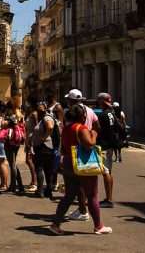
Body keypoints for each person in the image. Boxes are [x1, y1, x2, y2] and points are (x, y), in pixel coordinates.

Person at [49, 104, 112, 235]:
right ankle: (98, 226)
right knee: (92, 195)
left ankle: (55, 224)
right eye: (84, 114)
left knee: (69, 196)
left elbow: (65, 148)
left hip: (68, 164)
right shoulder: (81, 128)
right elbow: (89, 144)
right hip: (83, 165)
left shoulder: (66, 129)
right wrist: (94, 133)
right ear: (81, 116)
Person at [64, 89, 99, 221]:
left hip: (76, 152)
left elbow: (67, 131)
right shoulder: (90, 110)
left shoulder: (71, 114)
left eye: (69, 100)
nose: (67, 102)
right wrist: (93, 133)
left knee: (83, 188)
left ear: (72, 101)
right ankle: (84, 212)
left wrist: (91, 136)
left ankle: (83, 211)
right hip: (87, 152)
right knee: (85, 187)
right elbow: (97, 125)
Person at [96, 93, 121, 208]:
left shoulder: (102, 115)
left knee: (105, 172)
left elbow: (98, 129)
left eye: (99, 100)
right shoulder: (111, 113)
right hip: (111, 145)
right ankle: (108, 197)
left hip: (104, 146)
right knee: (109, 172)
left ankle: (109, 199)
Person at [33, 101, 58, 199]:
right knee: (48, 170)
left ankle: (41, 191)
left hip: (44, 146)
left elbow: (50, 127)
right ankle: (48, 190)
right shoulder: (42, 117)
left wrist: (44, 137)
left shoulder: (46, 117)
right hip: (45, 146)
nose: (38, 107)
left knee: (40, 168)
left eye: (40, 106)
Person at [5, 114, 26, 193]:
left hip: (10, 146)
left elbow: (9, 137)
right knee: (13, 165)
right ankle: (17, 185)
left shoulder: (10, 129)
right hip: (16, 145)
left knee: (13, 165)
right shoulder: (18, 127)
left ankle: (15, 186)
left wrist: (3, 136)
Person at [23, 102, 39, 192]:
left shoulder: (34, 114)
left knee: (30, 160)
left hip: (32, 140)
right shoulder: (29, 114)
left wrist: (32, 140)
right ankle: (33, 181)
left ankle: (35, 182)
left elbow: (37, 127)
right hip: (28, 139)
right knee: (28, 160)